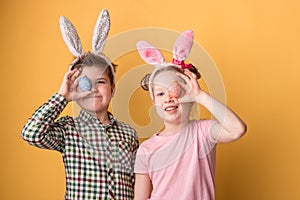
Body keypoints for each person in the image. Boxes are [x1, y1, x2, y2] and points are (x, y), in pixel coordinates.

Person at [21, 9, 139, 200]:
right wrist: (63, 96)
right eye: (85, 83)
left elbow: (136, 181)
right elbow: (31, 133)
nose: (93, 88)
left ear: (113, 87)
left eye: (100, 82)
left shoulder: (129, 134)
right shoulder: (69, 129)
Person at [134, 30, 247, 200]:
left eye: (175, 91)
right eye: (160, 94)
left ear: (188, 94)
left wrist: (200, 96)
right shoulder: (146, 149)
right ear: (153, 102)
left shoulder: (203, 132)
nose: (169, 99)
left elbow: (237, 130)